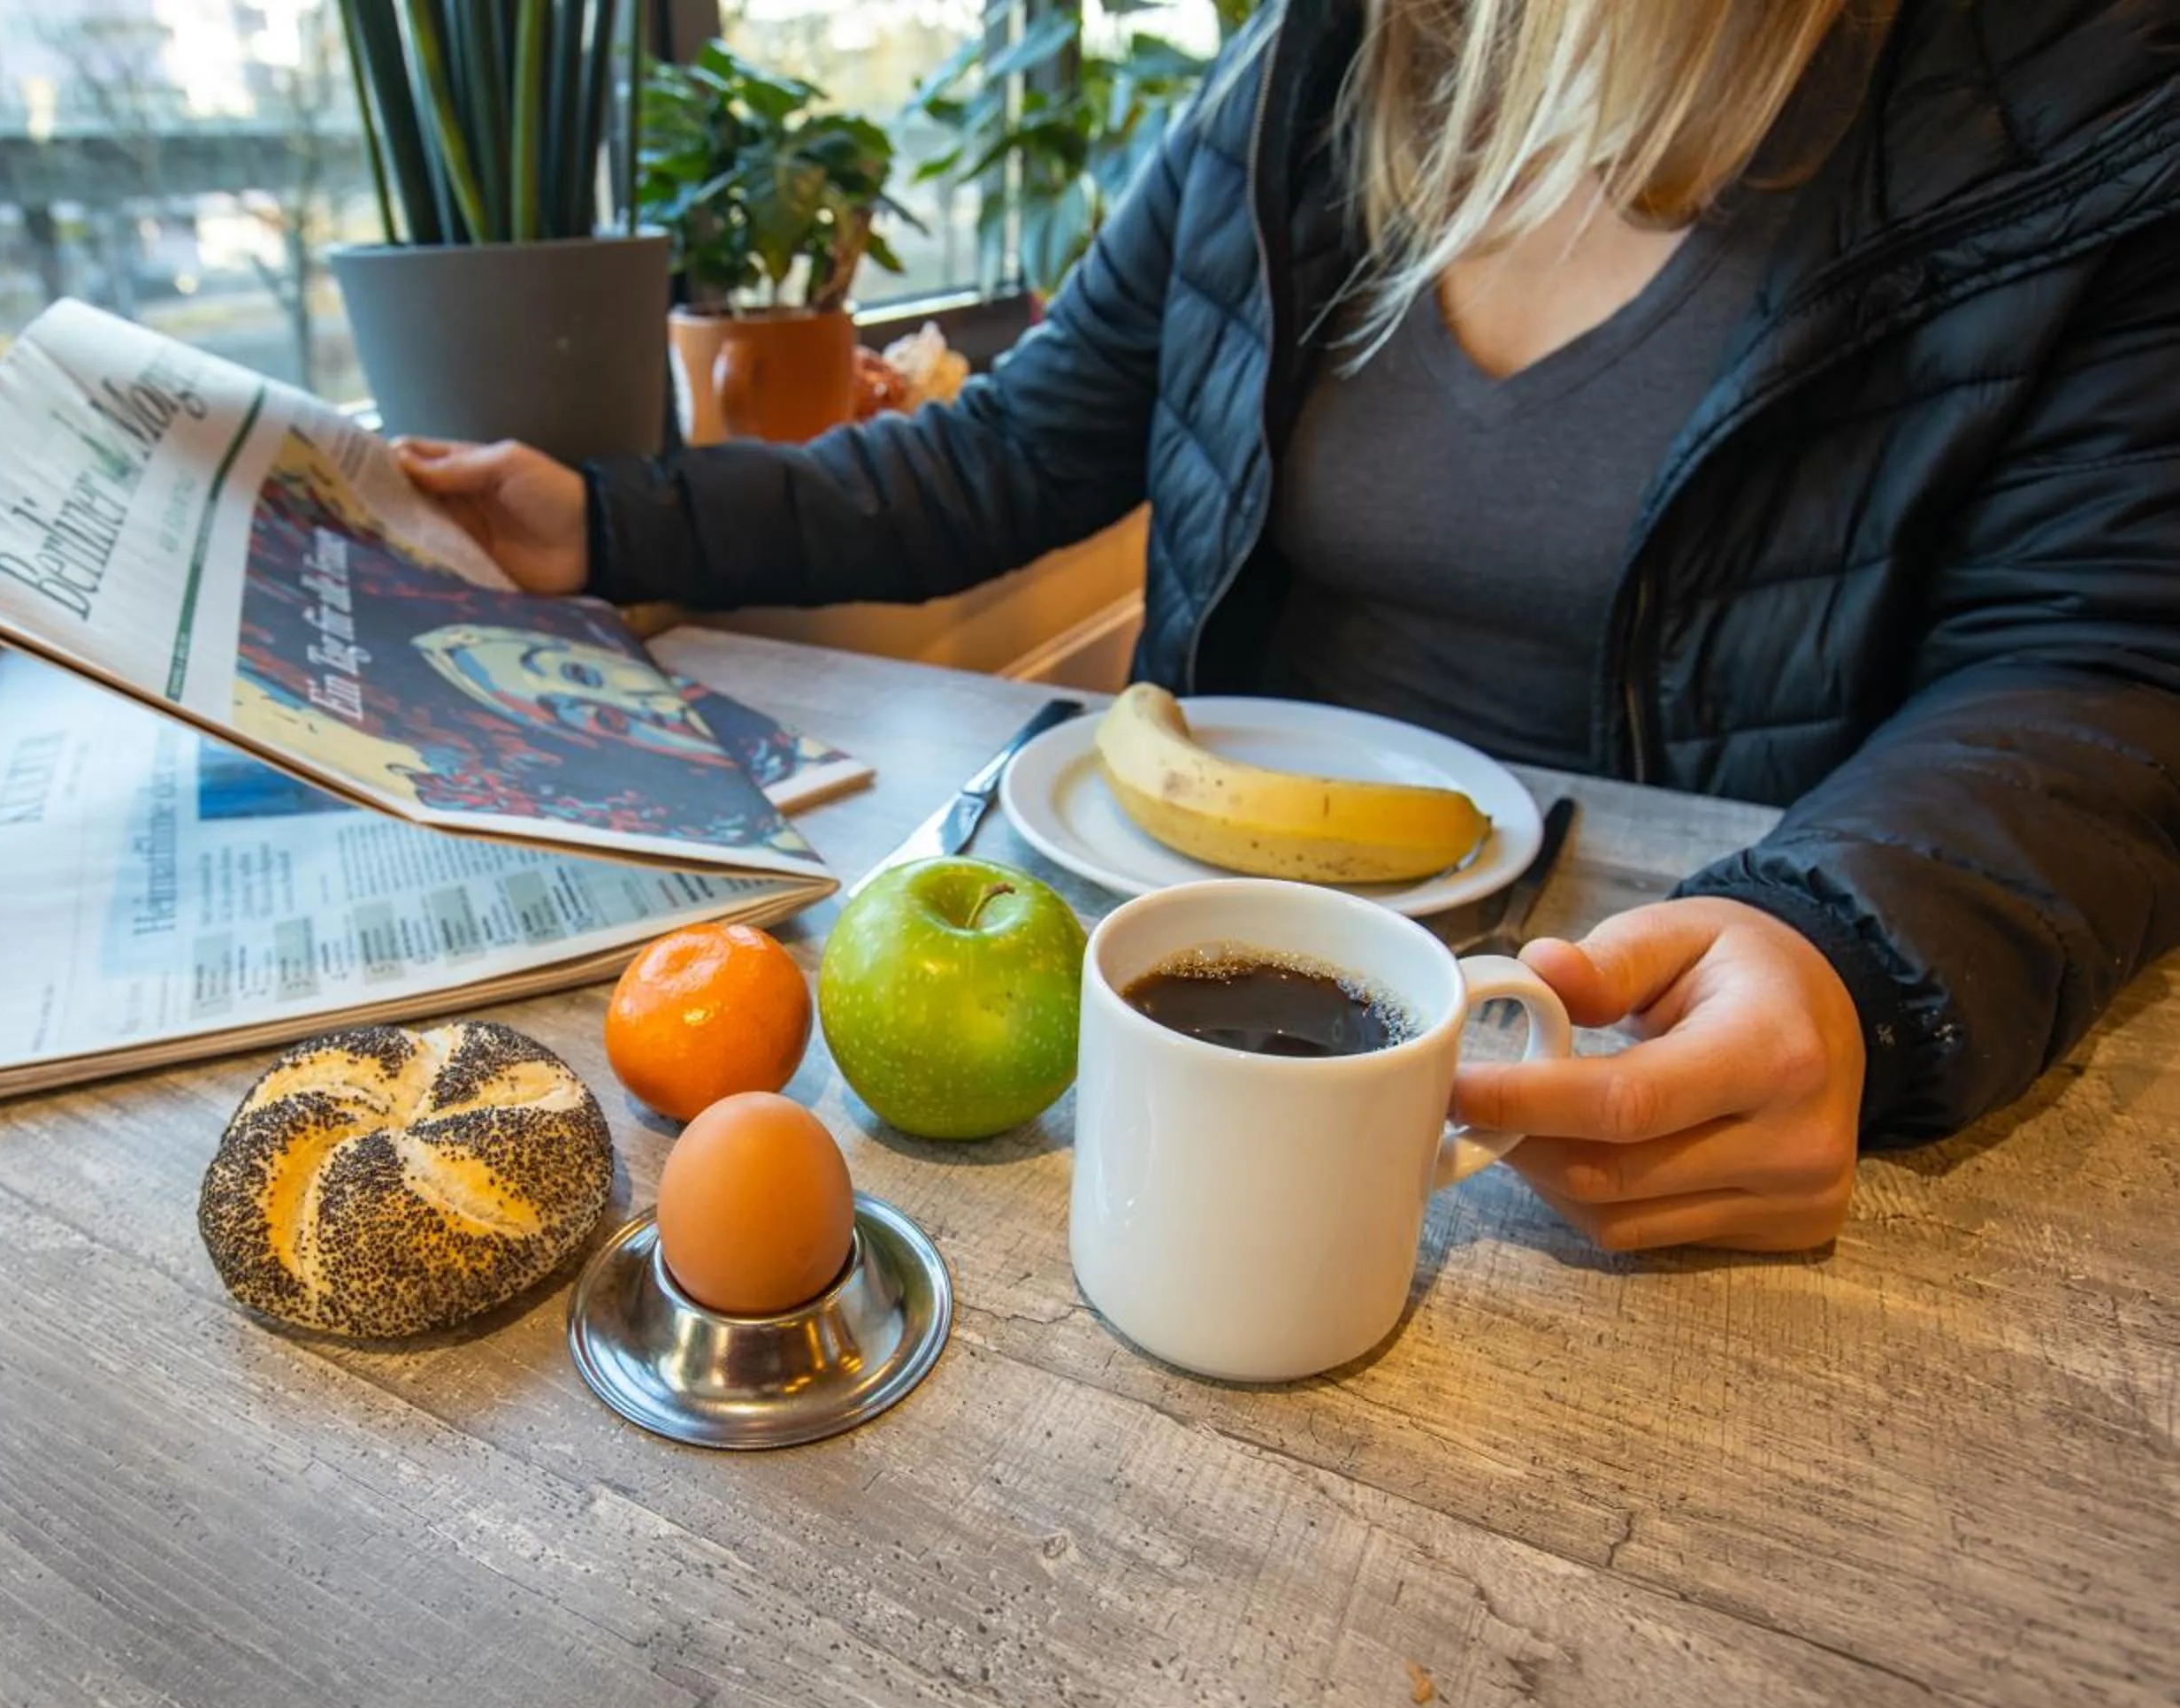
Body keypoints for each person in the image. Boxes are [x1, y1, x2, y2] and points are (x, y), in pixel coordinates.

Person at [394, 0, 2180, 1254]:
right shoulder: (1301, 74)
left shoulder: (2074, 93)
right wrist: (606, 516)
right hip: (1183, 983)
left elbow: (2101, 662)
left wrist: (1849, 943)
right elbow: (1008, 450)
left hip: (1624, 1014)